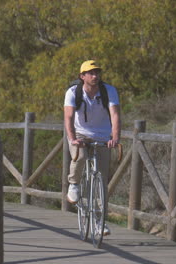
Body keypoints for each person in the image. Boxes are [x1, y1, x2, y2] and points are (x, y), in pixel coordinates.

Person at [64, 60, 121, 236]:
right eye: (91, 73)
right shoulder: (73, 92)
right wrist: (73, 139)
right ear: (82, 76)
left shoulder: (109, 90)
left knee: (102, 181)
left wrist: (115, 137)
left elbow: (115, 114)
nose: (95, 76)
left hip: (102, 136)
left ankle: (99, 221)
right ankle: (74, 184)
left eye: (97, 72)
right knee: (80, 158)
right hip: (79, 134)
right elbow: (68, 117)